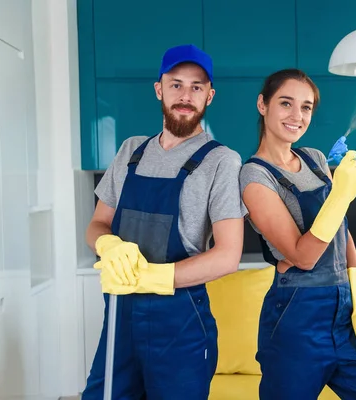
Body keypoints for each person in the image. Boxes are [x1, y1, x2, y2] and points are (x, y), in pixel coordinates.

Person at [239, 69, 356, 400]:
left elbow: (341, 229)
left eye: (306, 107)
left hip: (343, 313)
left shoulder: (315, 158)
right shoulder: (254, 177)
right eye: (286, 103)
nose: (297, 116)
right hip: (296, 321)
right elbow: (302, 256)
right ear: (263, 105)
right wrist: (340, 195)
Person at [82, 44, 246, 399]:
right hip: (120, 318)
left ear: (209, 96)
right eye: (176, 85)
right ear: (159, 89)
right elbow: (97, 225)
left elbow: (229, 255)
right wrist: (106, 243)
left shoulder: (221, 161)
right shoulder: (130, 152)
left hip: (180, 324)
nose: (185, 96)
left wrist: (153, 277)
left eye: (197, 87)